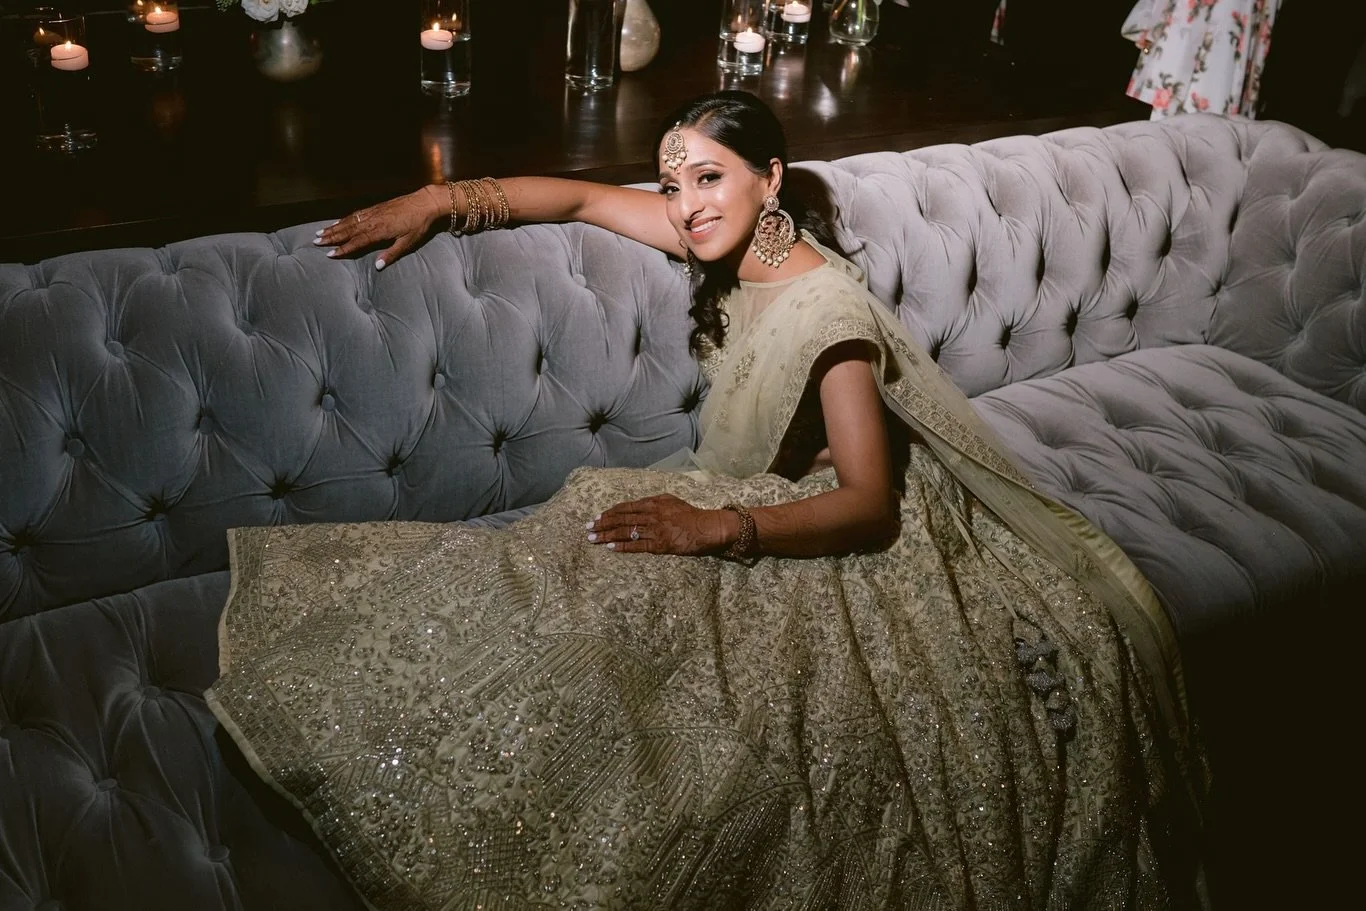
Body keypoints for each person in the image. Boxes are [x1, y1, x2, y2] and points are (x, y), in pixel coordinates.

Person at [207, 91, 1205, 910]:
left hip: (814, 523)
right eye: (674, 182)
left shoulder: (829, 315)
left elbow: (867, 501)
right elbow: (584, 202)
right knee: (549, 587)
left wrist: (721, 527)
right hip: (740, 496)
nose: (684, 204)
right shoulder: (724, 240)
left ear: (770, 180)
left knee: (641, 638)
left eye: (708, 177)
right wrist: (442, 197)